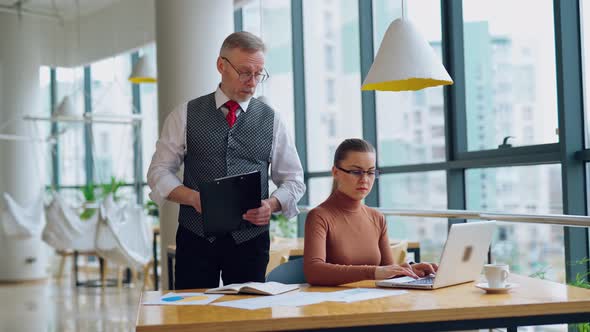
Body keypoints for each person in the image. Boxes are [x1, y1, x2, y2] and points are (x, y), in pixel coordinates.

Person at [147, 31, 305, 290]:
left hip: (250, 241)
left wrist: (272, 204)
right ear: (221, 65)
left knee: (248, 318)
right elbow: (159, 171)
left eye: (259, 74)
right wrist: (193, 198)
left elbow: (294, 179)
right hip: (195, 237)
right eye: (245, 72)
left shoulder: (273, 120)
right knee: (192, 317)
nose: (252, 82)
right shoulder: (185, 114)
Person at [303, 138, 437, 286]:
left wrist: (409, 269)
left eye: (371, 172)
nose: (365, 179)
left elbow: (387, 271)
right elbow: (314, 272)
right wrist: (373, 272)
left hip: (373, 302)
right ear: (336, 172)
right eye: (356, 172)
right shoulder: (319, 216)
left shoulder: (377, 217)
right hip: (336, 305)